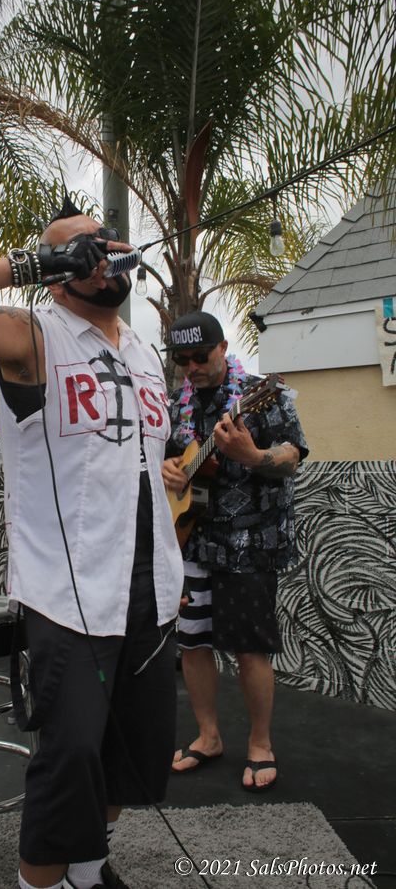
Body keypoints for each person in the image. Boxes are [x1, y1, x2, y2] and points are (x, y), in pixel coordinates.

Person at [0, 201, 184, 889]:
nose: (100, 252)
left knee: (130, 756)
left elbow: (140, 464)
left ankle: (89, 872)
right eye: (79, 248)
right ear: (58, 274)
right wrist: (38, 260)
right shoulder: (34, 336)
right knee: (70, 760)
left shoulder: (145, 352)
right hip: (68, 594)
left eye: (105, 240)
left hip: (150, 587)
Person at [161, 311, 308, 792]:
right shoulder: (177, 403)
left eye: (200, 356)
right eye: (182, 359)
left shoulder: (263, 395)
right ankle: (208, 737)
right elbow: (168, 456)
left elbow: (292, 455)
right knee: (192, 643)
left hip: (250, 542)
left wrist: (254, 456)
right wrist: (171, 469)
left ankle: (260, 744)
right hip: (193, 540)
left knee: (249, 648)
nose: (191, 367)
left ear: (223, 348)